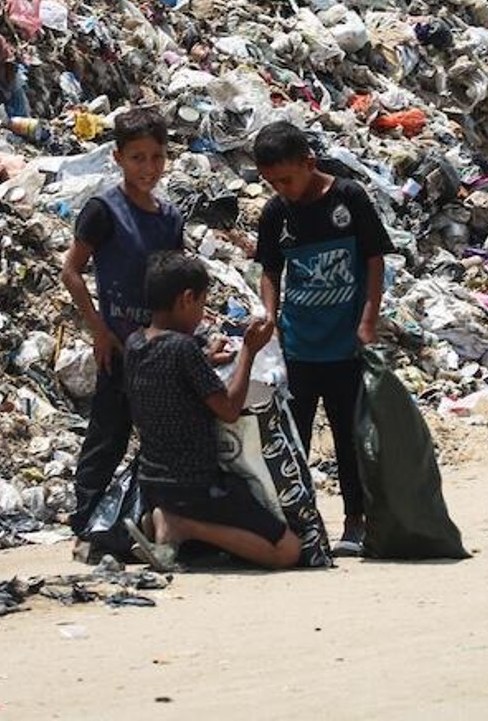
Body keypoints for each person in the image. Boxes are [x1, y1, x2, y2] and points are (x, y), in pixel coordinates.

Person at [252, 121, 394, 557]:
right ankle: (301, 523)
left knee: (349, 437)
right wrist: (270, 319)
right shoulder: (276, 213)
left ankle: (356, 521)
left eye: (287, 179)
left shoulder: (347, 198)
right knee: (293, 440)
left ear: (308, 163)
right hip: (298, 347)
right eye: (272, 182)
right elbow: (270, 272)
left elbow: (374, 259)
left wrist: (368, 320)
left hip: (345, 345)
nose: (282, 189)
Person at [122, 252, 300, 571]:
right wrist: (248, 350)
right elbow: (229, 409)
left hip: (152, 481)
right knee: (288, 551)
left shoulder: (135, 344)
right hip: (196, 486)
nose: (203, 313)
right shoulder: (183, 348)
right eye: (202, 303)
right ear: (186, 299)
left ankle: (164, 520)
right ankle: (182, 527)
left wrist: (205, 358)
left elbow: (170, 377)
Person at [60, 107, 184, 539]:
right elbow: (72, 271)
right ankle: (85, 519)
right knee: (108, 435)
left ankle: (149, 520)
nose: (148, 167)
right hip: (118, 346)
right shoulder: (104, 210)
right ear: (117, 158)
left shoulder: (169, 218)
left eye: (155, 156)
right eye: (137, 158)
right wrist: (100, 330)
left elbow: (177, 284)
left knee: (161, 439)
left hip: (159, 350)